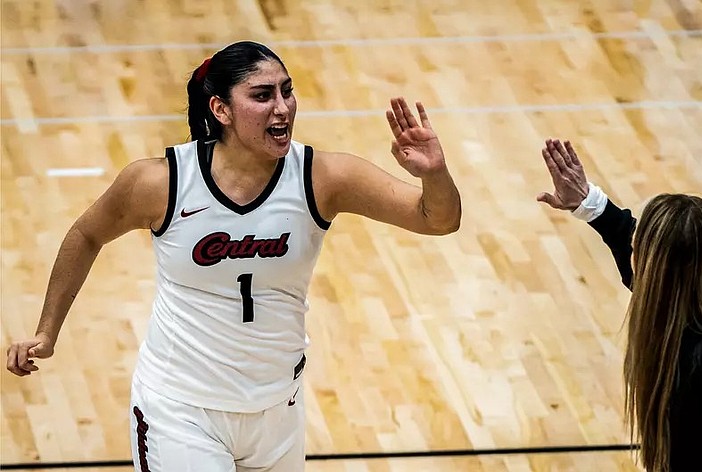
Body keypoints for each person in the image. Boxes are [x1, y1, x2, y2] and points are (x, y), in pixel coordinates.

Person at [6, 40, 461, 471]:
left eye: (287, 91)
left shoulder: (324, 177)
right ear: (220, 110)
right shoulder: (160, 183)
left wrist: (435, 174)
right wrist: (47, 332)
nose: (282, 107)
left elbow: (437, 219)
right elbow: (87, 234)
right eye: (262, 95)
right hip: (181, 408)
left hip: (278, 407)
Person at [537, 139, 702, 471]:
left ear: (652, 267)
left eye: (638, 246)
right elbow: (640, 249)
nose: (632, 247)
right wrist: (590, 203)